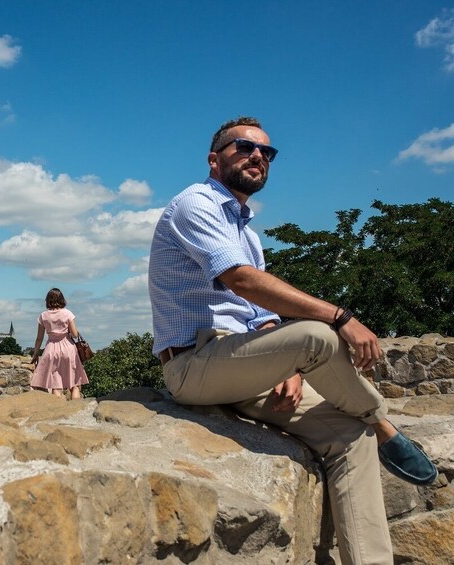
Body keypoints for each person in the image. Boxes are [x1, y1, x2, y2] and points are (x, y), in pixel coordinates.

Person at [148, 116, 437, 565]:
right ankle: (384, 423)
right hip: (194, 364)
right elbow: (241, 281)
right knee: (321, 333)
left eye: (267, 152)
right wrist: (341, 316)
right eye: (243, 147)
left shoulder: (247, 232)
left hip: (241, 365)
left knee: (348, 436)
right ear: (214, 158)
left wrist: (290, 368)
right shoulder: (195, 203)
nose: (257, 156)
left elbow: (262, 317)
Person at [30, 288, 89, 400]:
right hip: (68, 348)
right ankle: (75, 410)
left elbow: (39, 338)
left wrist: (35, 354)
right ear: (62, 299)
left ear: (47, 300)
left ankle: (57, 411)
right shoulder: (67, 313)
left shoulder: (43, 316)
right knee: (75, 384)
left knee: (55, 386)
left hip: (51, 350)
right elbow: (75, 334)